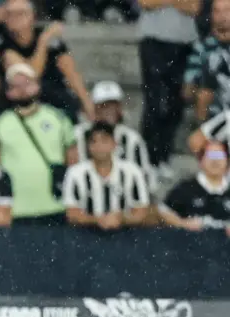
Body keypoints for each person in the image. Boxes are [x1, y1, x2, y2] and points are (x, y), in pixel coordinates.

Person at [0, 63, 77, 223]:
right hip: (14, 210)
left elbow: (72, 156)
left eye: (27, 83)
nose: (22, 89)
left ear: (38, 86)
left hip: (56, 206)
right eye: (16, 86)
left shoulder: (58, 118)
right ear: (8, 92)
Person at [137, 0, 196, 181]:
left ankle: (164, 156)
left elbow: (194, 7)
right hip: (154, 42)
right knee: (154, 102)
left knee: (176, 104)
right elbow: (145, 3)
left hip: (184, 43)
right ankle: (149, 160)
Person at [62, 122, 150, 230]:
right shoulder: (75, 173)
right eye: (94, 141)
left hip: (125, 232)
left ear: (114, 144)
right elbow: (72, 214)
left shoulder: (132, 172)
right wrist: (98, 220)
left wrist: (121, 219)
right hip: (86, 233)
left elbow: (142, 211)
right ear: (88, 146)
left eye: (104, 141)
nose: (99, 146)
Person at [160, 140, 230, 232]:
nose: (215, 161)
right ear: (201, 160)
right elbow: (162, 211)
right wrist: (182, 223)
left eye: (219, 155)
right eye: (210, 155)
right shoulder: (185, 188)